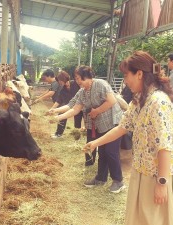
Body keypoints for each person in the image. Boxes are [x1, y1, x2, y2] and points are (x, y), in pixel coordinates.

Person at [84, 51, 173, 225]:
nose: (125, 80)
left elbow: (165, 146)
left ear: (139, 74)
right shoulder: (140, 100)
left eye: (126, 75)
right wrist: (96, 142)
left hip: (158, 175)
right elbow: (122, 127)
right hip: (143, 171)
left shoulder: (158, 102)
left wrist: (162, 183)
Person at [51, 65, 125, 193]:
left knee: (111, 151)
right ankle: (101, 179)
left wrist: (96, 111)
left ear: (88, 77)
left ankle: (118, 181)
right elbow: (74, 107)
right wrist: (57, 115)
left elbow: (112, 101)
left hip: (113, 121)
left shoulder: (101, 84)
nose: (78, 81)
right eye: (76, 78)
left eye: (80, 78)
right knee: (102, 151)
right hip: (101, 124)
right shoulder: (82, 92)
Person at [48, 71, 81, 138]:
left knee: (78, 119)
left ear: (64, 79)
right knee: (61, 114)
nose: (59, 82)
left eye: (60, 80)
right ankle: (58, 134)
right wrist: (52, 109)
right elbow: (59, 100)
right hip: (70, 106)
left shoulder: (76, 84)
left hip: (80, 106)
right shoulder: (63, 89)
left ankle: (78, 133)